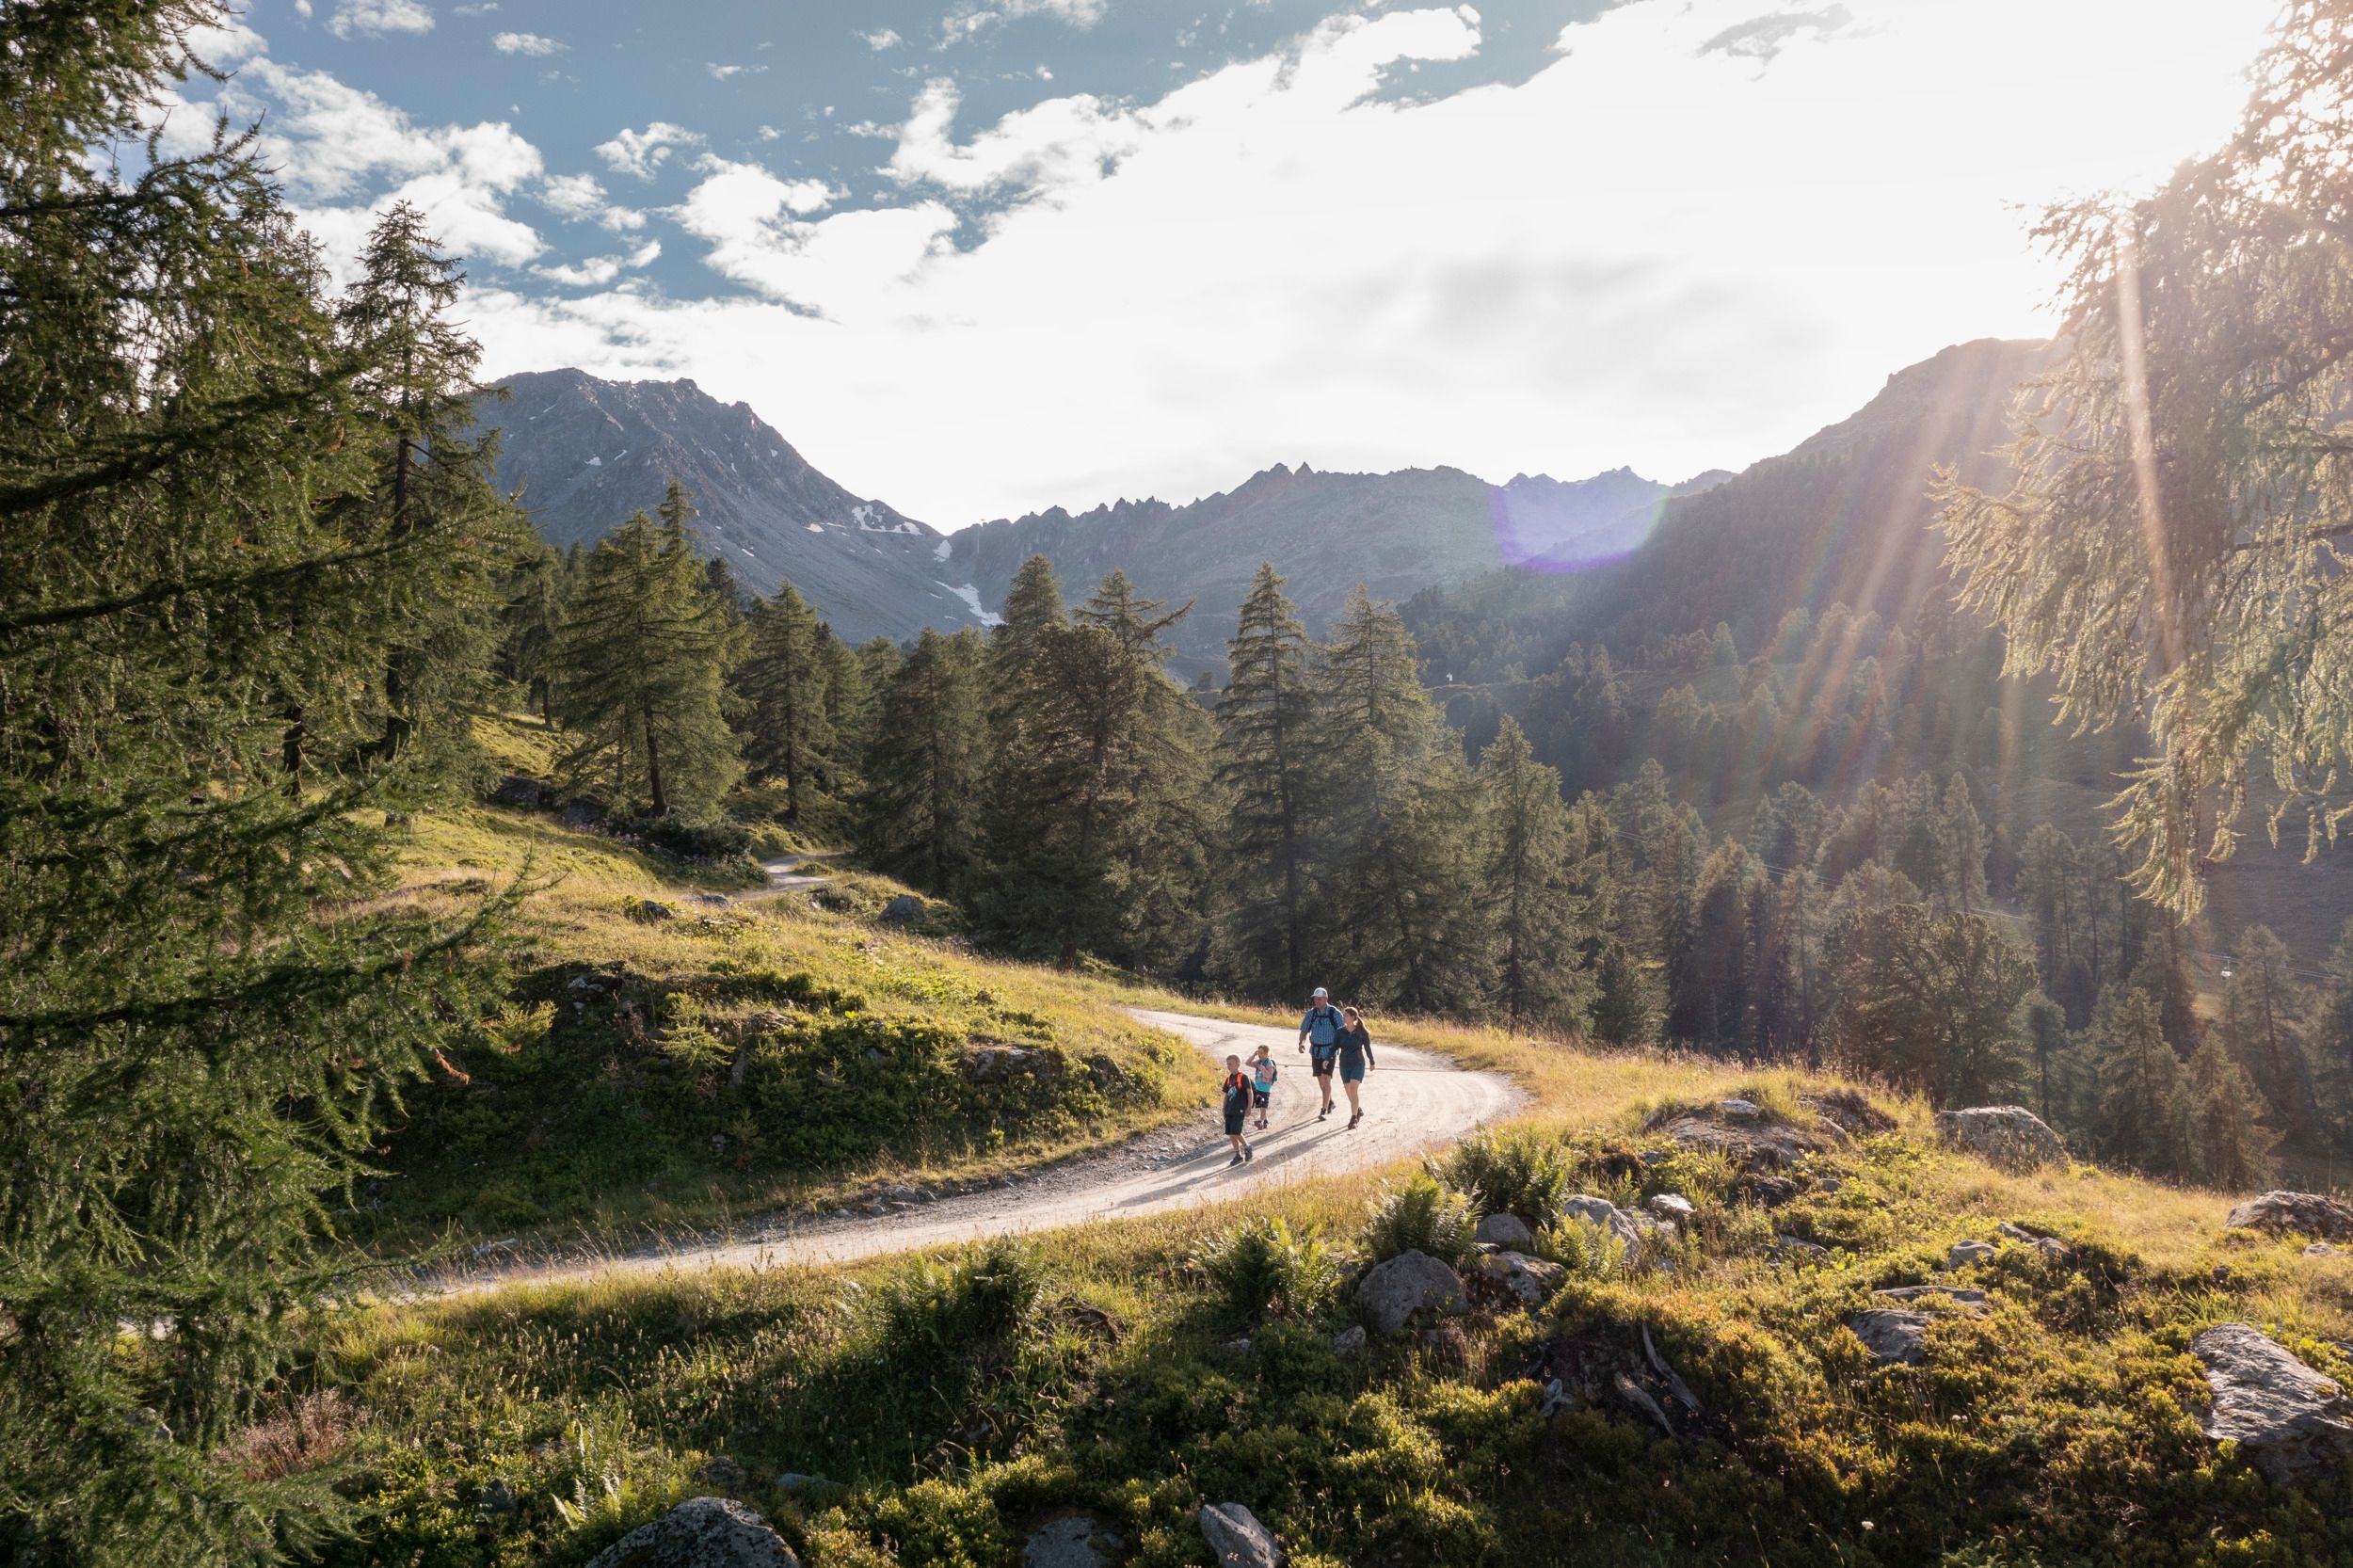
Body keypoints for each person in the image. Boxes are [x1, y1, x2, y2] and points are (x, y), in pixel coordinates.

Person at [1296, 986, 1345, 1119]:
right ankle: (1330, 1102)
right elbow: (1304, 1030)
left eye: (1319, 999)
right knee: (1320, 1079)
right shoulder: (1311, 1013)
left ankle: (1324, 1109)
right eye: (1315, 999)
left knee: (1326, 1078)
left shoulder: (1335, 1013)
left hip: (1330, 1050)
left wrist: (1344, 1047)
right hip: (1316, 1050)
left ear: (1325, 999)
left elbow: (1343, 1032)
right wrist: (1301, 1043)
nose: (1316, 1001)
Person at [1336, 1006, 1376, 1129]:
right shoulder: (1340, 1032)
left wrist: (1372, 1061)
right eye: (1343, 1015)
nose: (1343, 1017)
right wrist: (1327, 1058)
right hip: (1344, 1064)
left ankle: (1353, 1119)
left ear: (1353, 1017)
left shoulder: (1361, 1032)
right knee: (1348, 1091)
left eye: (1346, 1015)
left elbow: (1368, 1048)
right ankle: (1357, 1110)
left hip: (1358, 1063)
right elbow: (1333, 1047)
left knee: (1353, 1089)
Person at [1221, 1054, 1256, 1165]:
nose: (1228, 1066)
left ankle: (1247, 1147)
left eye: (1230, 1064)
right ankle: (1237, 1154)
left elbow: (1249, 1093)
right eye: (1227, 1064)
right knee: (1231, 1133)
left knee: (1236, 1131)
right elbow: (1226, 1095)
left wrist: (1249, 1107)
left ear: (1238, 1064)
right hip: (1229, 1110)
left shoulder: (1243, 1077)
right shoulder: (1229, 1079)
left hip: (1240, 1109)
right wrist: (1224, 1107)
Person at [1249, 1044, 1278, 1130]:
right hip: (1258, 1087)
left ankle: (1261, 1122)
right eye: (1259, 1053)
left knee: (1263, 1107)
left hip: (1265, 1089)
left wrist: (1262, 1068)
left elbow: (1269, 1075)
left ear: (1267, 1053)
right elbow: (1247, 1063)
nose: (1259, 1055)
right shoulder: (1259, 1061)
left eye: (1261, 1053)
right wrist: (1253, 1055)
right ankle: (1265, 1121)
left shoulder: (1270, 1063)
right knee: (1261, 1106)